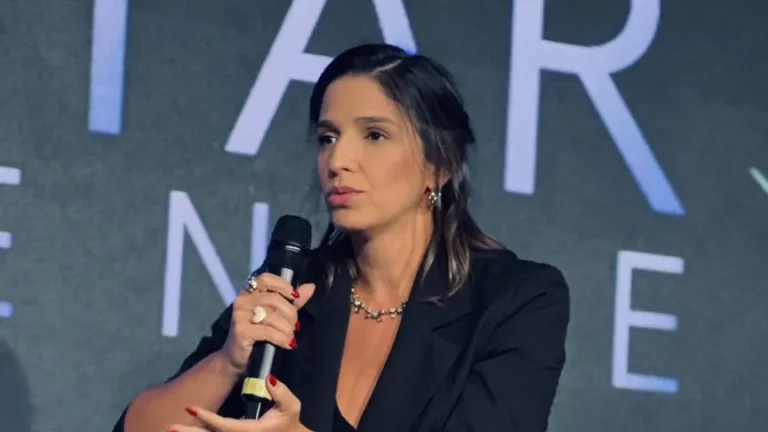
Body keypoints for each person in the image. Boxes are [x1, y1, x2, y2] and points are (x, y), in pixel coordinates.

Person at [113, 43, 571, 432]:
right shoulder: (297, 288)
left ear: (440, 164)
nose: (338, 161)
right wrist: (229, 361)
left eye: (374, 135)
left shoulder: (516, 299)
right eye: (327, 138)